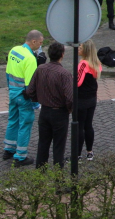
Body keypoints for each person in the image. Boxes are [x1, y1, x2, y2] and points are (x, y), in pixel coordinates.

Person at [27, 41, 73, 169]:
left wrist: (40, 99)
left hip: (44, 112)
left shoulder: (40, 69)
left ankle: (40, 177)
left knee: (43, 145)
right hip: (60, 113)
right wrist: (69, 109)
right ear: (62, 54)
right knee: (58, 148)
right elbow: (70, 98)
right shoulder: (64, 74)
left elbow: (30, 90)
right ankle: (58, 181)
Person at [3, 30, 43, 167]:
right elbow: (31, 85)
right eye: (40, 43)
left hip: (12, 93)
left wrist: (10, 89)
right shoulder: (30, 59)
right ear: (33, 41)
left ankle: (8, 149)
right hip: (22, 96)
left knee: (12, 120)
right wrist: (36, 103)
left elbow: (8, 73)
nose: (40, 46)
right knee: (25, 124)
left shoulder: (14, 50)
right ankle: (20, 156)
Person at [76, 40, 102, 161]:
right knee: (88, 125)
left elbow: (77, 82)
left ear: (85, 50)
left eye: (80, 47)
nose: (78, 49)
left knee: (79, 126)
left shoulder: (83, 64)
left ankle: (77, 154)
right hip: (92, 98)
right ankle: (89, 151)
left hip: (81, 99)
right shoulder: (96, 63)